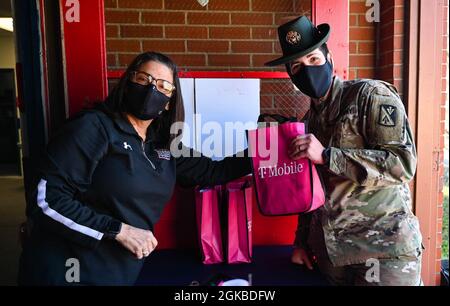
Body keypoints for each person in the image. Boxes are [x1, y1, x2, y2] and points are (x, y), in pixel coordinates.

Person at [18, 51, 252, 285]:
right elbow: (46, 200)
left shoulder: (163, 146)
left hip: (116, 273)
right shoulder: (94, 128)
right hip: (65, 270)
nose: (152, 89)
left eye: (162, 86)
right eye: (144, 79)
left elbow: (214, 171)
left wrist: (271, 147)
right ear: (128, 83)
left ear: (169, 102)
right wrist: (118, 230)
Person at [265, 16, 423, 286]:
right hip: (332, 256)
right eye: (297, 67)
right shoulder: (307, 122)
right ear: (292, 76)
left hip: (384, 253)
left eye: (313, 60)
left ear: (330, 59)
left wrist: (328, 156)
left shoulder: (369, 95)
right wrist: (301, 242)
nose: (308, 70)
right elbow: (309, 191)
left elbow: (403, 164)